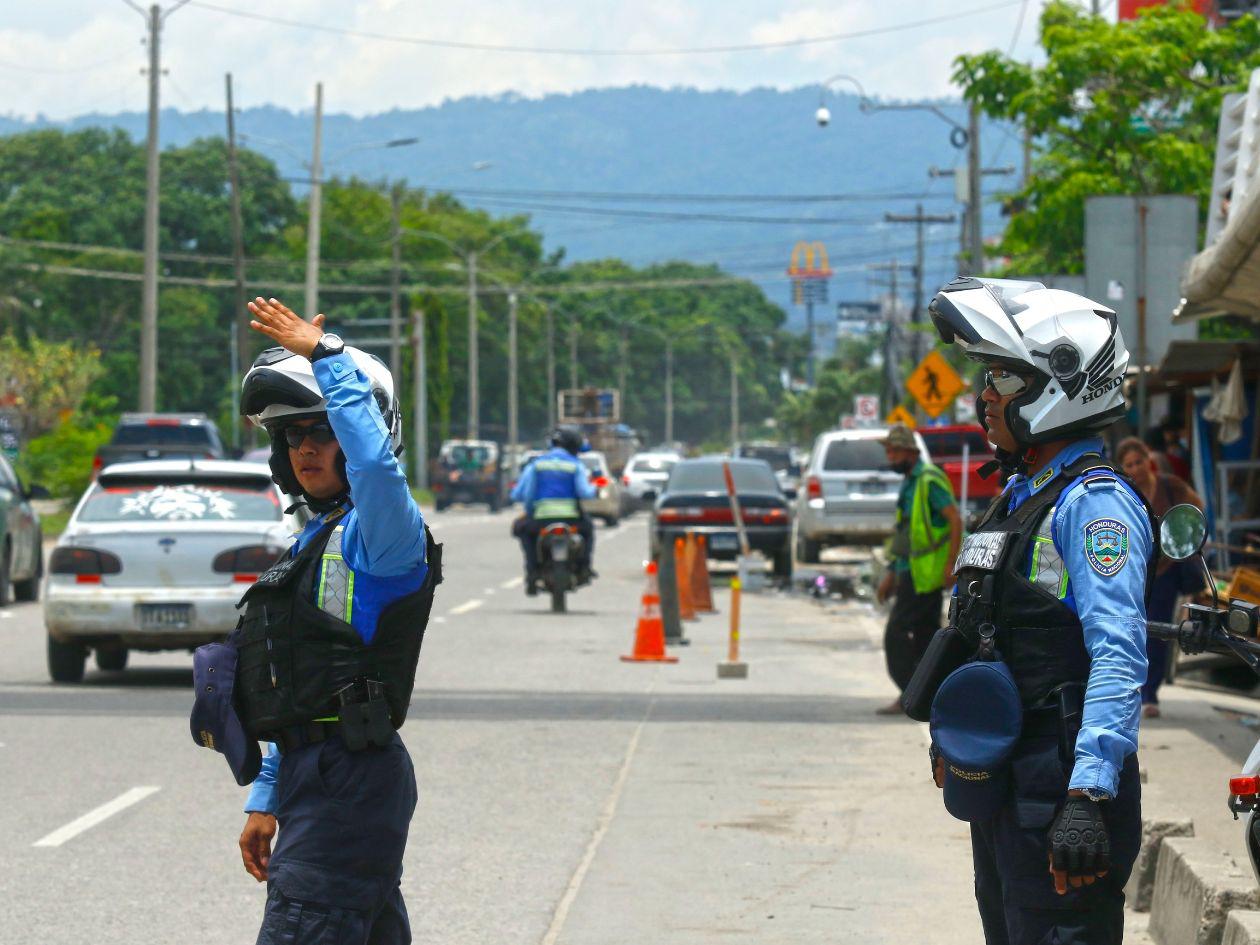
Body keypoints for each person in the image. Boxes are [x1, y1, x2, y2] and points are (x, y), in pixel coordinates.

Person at [925, 276, 1153, 945]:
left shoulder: (1094, 504)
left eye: (1004, 377)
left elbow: (1117, 655)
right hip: (1009, 788)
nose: (985, 395)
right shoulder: (1025, 495)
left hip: (1061, 797)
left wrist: (1087, 799)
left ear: (1061, 384)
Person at [234, 298, 441, 944]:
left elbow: (377, 468)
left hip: (348, 782)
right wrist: (267, 791)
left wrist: (326, 356)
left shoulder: (382, 536)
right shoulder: (314, 538)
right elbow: (308, 682)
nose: (306, 448)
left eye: (321, 430)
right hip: (316, 774)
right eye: (292, 435)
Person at [875, 422, 962, 715]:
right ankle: (928, 698)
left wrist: (952, 563)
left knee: (897, 633)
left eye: (893, 451)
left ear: (909, 452)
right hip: (913, 571)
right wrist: (891, 573)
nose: (889, 457)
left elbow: (954, 519)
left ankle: (910, 695)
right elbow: (904, 535)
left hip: (927, 573)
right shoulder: (911, 481)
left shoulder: (928, 479)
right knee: (927, 638)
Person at [1116, 436, 1204, 718]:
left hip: (1165, 572)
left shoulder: (1170, 486)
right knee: (1131, 632)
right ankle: (1130, 689)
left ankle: (1150, 694)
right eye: (1129, 464)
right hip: (1131, 573)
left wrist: (1183, 538)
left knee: (1158, 632)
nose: (1136, 468)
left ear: (1148, 460)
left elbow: (1195, 512)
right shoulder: (1123, 493)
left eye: (1139, 461)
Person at [510, 425, 597, 594]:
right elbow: (585, 493)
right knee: (589, 530)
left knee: (524, 531)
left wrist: (530, 512)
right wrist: (596, 489)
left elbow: (524, 494)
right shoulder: (576, 466)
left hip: (541, 519)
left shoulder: (537, 465)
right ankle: (584, 567)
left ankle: (532, 571)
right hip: (571, 519)